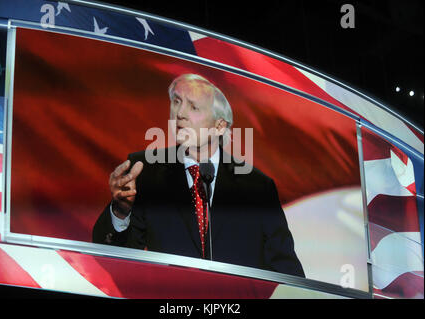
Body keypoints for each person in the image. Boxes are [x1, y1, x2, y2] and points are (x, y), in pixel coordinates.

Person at [92, 74, 305, 277]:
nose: (180, 113)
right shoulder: (145, 170)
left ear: (219, 126)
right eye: (176, 102)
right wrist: (120, 211)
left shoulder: (258, 188)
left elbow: (287, 274)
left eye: (193, 107)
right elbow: (111, 263)